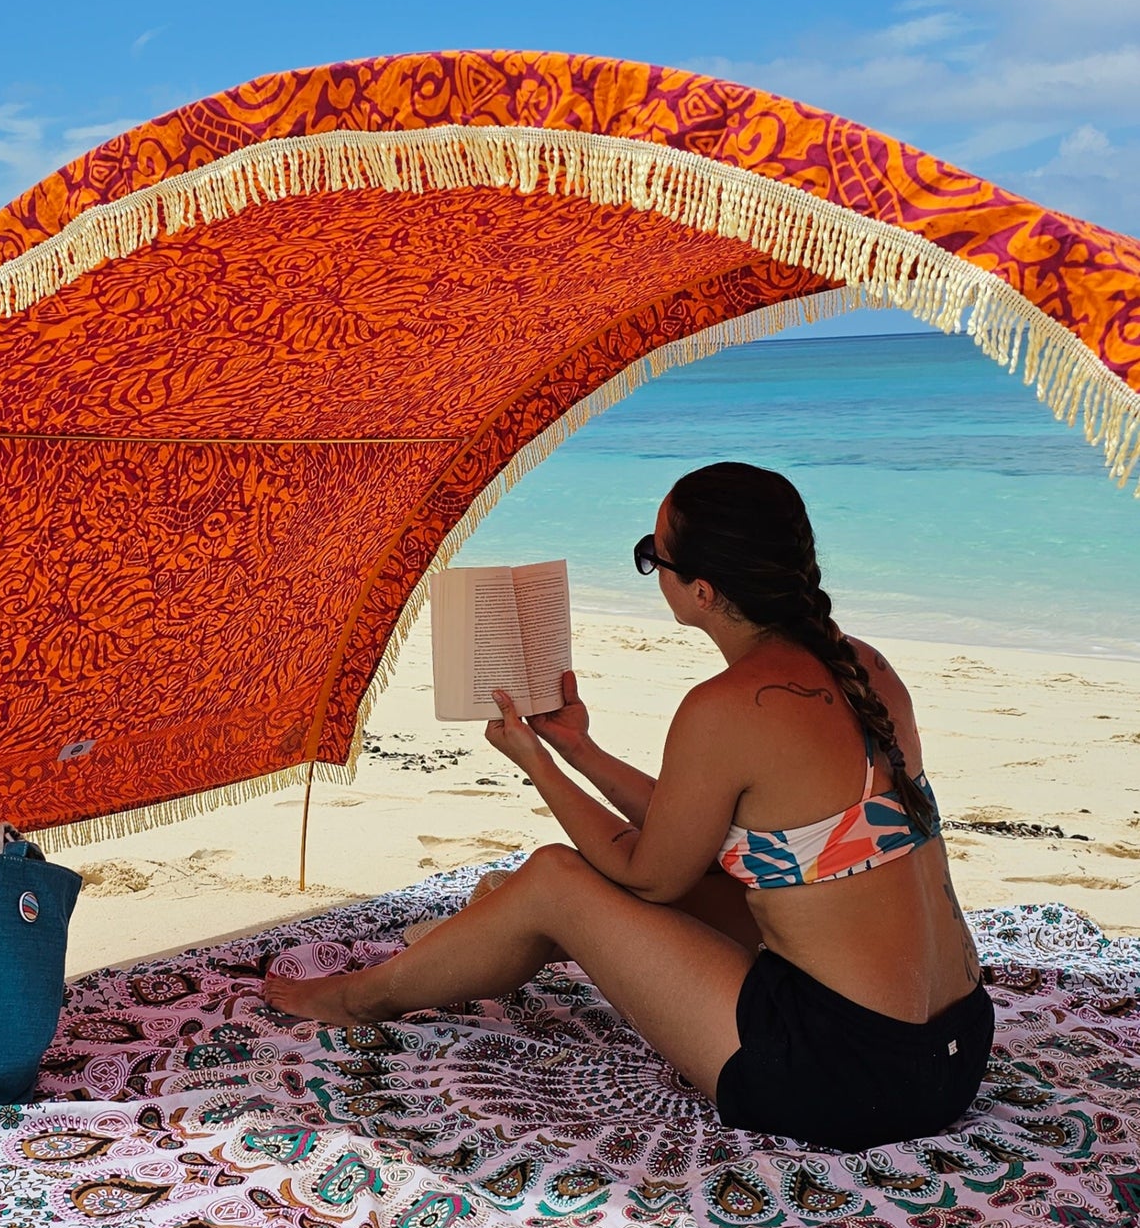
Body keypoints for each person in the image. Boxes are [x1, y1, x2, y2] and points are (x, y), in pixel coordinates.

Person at [264, 462, 994, 1150]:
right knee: (656, 886)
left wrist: (539, 768)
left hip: (847, 1080)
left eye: (654, 554)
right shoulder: (863, 666)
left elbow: (652, 878)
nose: (652, 571)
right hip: (953, 1055)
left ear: (701, 591)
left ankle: (363, 999)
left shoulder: (728, 706)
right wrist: (580, 748)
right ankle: (496, 924)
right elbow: (696, 832)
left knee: (555, 877)